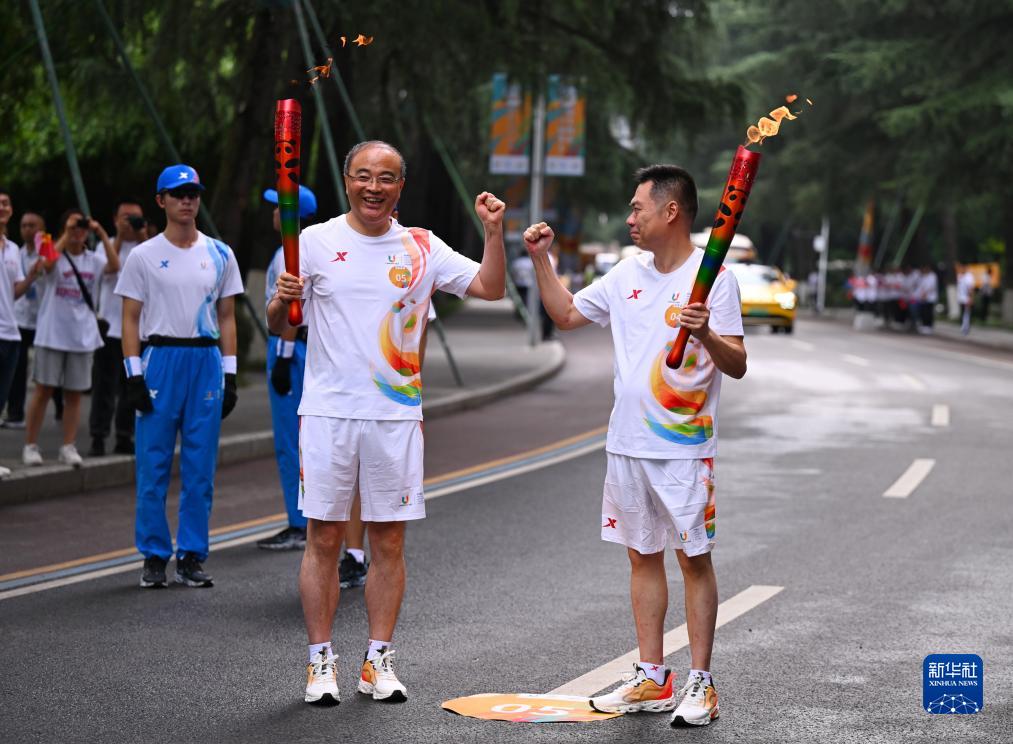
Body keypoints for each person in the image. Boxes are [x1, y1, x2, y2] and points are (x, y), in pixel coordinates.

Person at [268, 140, 506, 706]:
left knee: (389, 542)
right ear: (347, 180)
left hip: (395, 416)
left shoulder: (421, 247)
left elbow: (491, 289)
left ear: (401, 186)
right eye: (363, 176)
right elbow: (280, 325)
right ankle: (319, 663)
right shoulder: (315, 243)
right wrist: (282, 300)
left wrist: (493, 233)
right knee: (323, 538)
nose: (374, 187)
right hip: (327, 412)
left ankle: (378, 661)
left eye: (387, 178)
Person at [523, 164, 746, 728]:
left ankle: (701, 682)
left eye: (637, 208)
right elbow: (567, 314)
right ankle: (652, 675)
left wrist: (705, 333)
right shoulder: (626, 275)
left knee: (693, 559)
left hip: (684, 448)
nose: (630, 218)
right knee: (640, 556)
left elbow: (737, 364)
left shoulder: (714, 278)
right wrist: (541, 260)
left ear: (670, 211)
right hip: (626, 444)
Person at [116, 164, 243, 589]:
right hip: (161, 359)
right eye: (178, 193)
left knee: (199, 467)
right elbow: (130, 319)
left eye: (193, 193)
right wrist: (133, 373)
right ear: (161, 201)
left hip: (205, 362)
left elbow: (227, 317)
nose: (187, 200)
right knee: (152, 463)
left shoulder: (220, 253)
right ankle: (154, 554)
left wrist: (231, 373)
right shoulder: (143, 255)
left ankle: (191, 554)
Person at [22, 208, 118, 467]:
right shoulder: (52, 248)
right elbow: (47, 264)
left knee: (74, 394)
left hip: (82, 336)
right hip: (52, 333)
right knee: (43, 390)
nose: (77, 232)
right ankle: (30, 445)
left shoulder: (93, 260)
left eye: (81, 227)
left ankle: (68, 445)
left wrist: (99, 231)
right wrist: (66, 233)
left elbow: (114, 265)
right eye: (73, 226)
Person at [257, 184, 317, 551]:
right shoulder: (295, 250)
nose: (273, 213)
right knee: (300, 438)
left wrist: (283, 355)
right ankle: (304, 519)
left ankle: (300, 523)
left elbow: (293, 308)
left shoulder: (290, 254)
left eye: (278, 208)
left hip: (289, 347)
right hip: (295, 346)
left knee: (291, 439)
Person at [89, 199, 147, 456]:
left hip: (138, 330)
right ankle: (98, 437)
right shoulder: (106, 247)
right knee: (104, 387)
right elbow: (111, 268)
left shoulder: (149, 248)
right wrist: (120, 238)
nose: (131, 222)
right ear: (115, 219)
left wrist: (142, 234)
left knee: (130, 387)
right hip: (110, 327)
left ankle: (125, 436)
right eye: (126, 217)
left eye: (136, 218)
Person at [0, 189, 44, 476]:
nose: (2, 206)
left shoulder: (13, 249)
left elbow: (13, 291)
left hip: (11, 334)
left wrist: (32, 275)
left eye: (5, 203)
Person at [956, 264, 976, 336]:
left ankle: (965, 329)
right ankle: (963, 327)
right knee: (962, 313)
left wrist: (970, 298)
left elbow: (971, 289)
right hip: (961, 298)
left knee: (966, 314)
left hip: (966, 299)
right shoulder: (960, 276)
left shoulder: (969, 277)